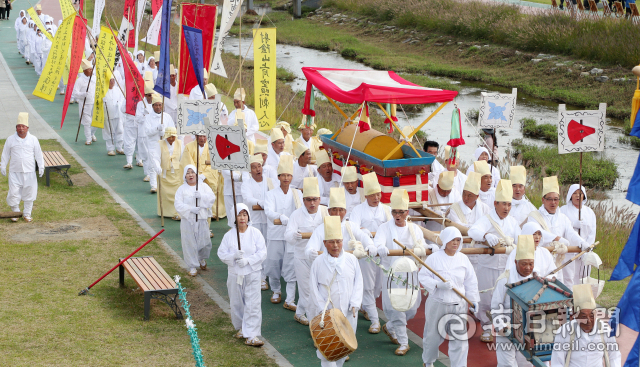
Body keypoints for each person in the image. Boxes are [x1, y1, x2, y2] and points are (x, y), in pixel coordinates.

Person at [375, 189, 431, 356]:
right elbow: (377, 243)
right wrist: (380, 248)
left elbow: (422, 245)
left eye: (401, 212)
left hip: (411, 275)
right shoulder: (384, 228)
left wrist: (428, 249)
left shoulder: (416, 229)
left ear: (407, 212)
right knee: (397, 308)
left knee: (412, 309)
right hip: (393, 276)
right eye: (394, 212)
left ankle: (390, 327)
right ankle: (403, 342)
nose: (397, 215)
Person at [468, 179, 520, 343]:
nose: (506, 208)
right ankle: (485, 327)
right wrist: (485, 235)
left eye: (509, 205)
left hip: (506, 267)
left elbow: (520, 238)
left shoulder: (512, 221)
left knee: (503, 299)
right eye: (503, 204)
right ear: (495, 203)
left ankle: (502, 326)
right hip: (488, 266)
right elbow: (473, 231)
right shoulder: (487, 219)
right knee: (486, 299)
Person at [420, 227, 479, 367]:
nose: (455, 243)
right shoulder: (434, 258)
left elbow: (471, 281)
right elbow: (422, 276)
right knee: (432, 337)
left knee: (460, 340)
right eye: (452, 239)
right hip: (437, 304)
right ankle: (428, 361)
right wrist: (437, 284)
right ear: (445, 240)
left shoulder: (463, 259)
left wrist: (474, 300)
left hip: (458, 306)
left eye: (458, 240)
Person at [309, 216, 363, 367]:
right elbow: (313, 288)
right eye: (331, 242)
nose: (335, 245)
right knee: (327, 352)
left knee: (343, 349)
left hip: (348, 311)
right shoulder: (318, 263)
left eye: (338, 241)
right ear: (325, 243)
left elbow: (358, 282)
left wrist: (355, 302)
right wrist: (322, 310)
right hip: (326, 313)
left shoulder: (351, 260)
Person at [217, 203, 267, 347]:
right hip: (235, 274)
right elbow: (221, 253)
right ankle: (240, 327)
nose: (242, 218)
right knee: (237, 302)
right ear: (234, 217)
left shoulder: (255, 233)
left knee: (253, 304)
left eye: (245, 214)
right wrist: (233, 256)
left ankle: (252, 334)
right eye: (239, 215)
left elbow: (262, 252)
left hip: (252, 273)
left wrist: (248, 261)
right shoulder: (229, 235)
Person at [348, 172, 392, 334]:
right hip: (366, 254)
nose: (376, 197)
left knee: (378, 286)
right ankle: (375, 320)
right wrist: (366, 233)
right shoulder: (358, 210)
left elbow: (391, 228)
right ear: (366, 195)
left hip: (382, 253)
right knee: (367, 285)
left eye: (378, 194)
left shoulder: (387, 210)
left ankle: (367, 306)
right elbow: (354, 229)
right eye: (372, 194)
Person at [527, 176, 588, 290]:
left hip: (560, 259)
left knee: (564, 285)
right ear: (543, 200)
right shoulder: (534, 216)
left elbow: (571, 233)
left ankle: (565, 308)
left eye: (556, 199)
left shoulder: (563, 218)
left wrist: (582, 242)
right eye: (550, 199)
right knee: (541, 287)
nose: (553, 202)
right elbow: (537, 233)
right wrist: (557, 238)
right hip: (542, 259)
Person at [285, 177, 328, 325]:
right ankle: (314, 324)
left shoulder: (325, 212)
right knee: (306, 290)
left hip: (320, 257)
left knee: (320, 289)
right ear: (303, 200)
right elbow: (288, 236)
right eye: (308, 199)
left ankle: (299, 313)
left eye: (315, 199)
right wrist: (294, 235)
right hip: (302, 258)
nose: (312, 203)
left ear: (319, 199)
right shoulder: (296, 215)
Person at [491, 235, 537, 367]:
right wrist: (502, 327)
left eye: (531, 264)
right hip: (507, 329)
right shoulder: (504, 280)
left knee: (527, 364)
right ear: (516, 262)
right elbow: (495, 307)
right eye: (524, 264)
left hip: (527, 331)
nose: (528, 267)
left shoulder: (537, 280)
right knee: (507, 365)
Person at [549, 284, 621, 367]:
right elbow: (557, 362)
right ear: (575, 316)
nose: (588, 321)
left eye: (591, 316)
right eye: (583, 316)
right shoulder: (564, 332)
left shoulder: (604, 330)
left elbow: (614, 356)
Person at [264, 155, 303, 308]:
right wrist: (281, 217)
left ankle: (290, 296)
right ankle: (276, 290)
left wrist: (292, 221)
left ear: (292, 177)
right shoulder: (271, 194)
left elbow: (300, 210)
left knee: (290, 264)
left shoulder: (297, 193)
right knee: (274, 262)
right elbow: (268, 211)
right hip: (275, 233)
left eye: (289, 175)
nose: (286, 178)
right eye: (283, 175)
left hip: (291, 235)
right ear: (278, 177)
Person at [1, 113, 44, 222]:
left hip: (29, 171)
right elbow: (5, 154)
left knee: (30, 192)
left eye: (23, 126)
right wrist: (3, 166)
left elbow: (38, 154)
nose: (21, 129)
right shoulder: (10, 139)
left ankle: (27, 214)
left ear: (27, 128)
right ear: (16, 127)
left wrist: (41, 166)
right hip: (15, 172)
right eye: (19, 126)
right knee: (14, 193)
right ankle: (15, 213)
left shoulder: (33, 139)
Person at [174, 165, 216, 277]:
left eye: (193, 172)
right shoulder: (181, 189)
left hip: (201, 218)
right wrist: (190, 209)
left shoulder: (203, 186)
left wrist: (201, 196)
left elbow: (212, 197)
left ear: (197, 174)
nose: (191, 175)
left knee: (204, 241)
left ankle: (201, 258)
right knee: (189, 242)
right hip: (188, 220)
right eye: (188, 173)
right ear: (185, 175)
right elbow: (178, 204)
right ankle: (192, 265)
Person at [241, 154, 275, 290]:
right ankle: (259, 277)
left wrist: (268, 204)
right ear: (250, 171)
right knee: (256, 247)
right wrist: (261, 202)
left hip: (269, 220)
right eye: (254, 167)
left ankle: (268, 274)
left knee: (268, 247)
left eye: (259, 166)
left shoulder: (269, 181)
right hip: (254, 220)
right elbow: (247, 199)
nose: (257, 169)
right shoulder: (246, 184)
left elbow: (274, 195)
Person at [446, 172, 491, 271]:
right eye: (464, 194)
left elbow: (488, 226)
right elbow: (458, 226)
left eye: (470, 195)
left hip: (480, 252)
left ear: (477, 196)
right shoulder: (455, 208)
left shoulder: (485, 208)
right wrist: (478, 230)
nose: (465, 198)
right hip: (461, 251)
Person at [180, 134, 226, 222]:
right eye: (199, 136)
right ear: (196, 136)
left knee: (210, 193)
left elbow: (214, 163)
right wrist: (195, 174)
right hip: (194, 175)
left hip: (208, 175)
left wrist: (204, 175)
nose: (202, 138)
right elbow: (188, 163)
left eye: (204, 136)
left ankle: (213, 213)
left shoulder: (212, 146)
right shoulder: (188, 147)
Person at [560, 184, 597, 286]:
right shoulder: (563, 210)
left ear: (584, 195)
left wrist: (586, 248)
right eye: (574, 193)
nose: (577, 196)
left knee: (583, 276)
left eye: (580, 193)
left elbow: (592, 232)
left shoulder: (589, 212)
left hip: (584, 251)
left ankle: (582, 298)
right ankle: (569, 297)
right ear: (570, 195)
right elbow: (561, 228)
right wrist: (573, 224)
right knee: (569, 276)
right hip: (569, 251)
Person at [144, 93, 175, 193]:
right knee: (153, 165)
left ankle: (164, 184)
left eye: (160, 105)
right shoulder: (148, 118)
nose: (158, 107)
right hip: (153, 144)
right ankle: (154, 185)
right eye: (156, 105)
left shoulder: (167, 117)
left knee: (166, 164)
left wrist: (165, 133)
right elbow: (147, 132)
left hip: (165, 143)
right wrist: (157, 128)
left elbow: (173, 130)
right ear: (152, 106)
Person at [156, 127, 183, 220]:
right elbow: (156, 157)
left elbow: (183, 157)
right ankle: (166, 212)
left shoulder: (180, 143)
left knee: (177, 193)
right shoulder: (160, 144)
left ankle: (177, 212)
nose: (171, 139)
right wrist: (157, 166)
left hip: (176, 173)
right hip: (164, 173)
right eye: (169, 137)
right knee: (165, 193)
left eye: (173, 137)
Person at [72, 59, 97, 145]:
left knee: (95, 121)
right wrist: (83, 94)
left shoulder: (94, 78)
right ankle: (88, 138)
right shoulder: (80, 80)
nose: (91, 71)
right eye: (89, 69)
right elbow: (75, 93)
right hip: (85, 104)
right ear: (84, 71)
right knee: (87, 122)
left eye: (91, 69)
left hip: (94, 103)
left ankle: (92, 133)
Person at [103, 73, 125, 156]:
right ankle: (110, 149)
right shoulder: (104, 90)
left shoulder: (117, 89)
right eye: (110, 80)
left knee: (120, 130)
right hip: (108, 114)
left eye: (113, 80)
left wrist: (119, 103)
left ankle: (119, 147)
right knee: (109, 131)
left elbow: (122, 98)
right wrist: (103, 101)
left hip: (118, 114)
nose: (112, 82)